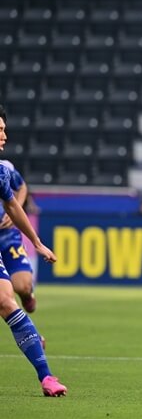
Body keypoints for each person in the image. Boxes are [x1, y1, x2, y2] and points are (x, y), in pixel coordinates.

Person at [0, 105, 66, 396]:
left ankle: (47, 378)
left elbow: (13, 203)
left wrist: (37, 243)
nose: (4, 135)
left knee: (10, 296)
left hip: (5, 236)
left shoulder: (3, 171)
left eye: (4, 128)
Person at [0, 160, 38, 313]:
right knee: (4, 297)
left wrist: (18, 206)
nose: (4, 137)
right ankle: (29, 335)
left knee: (23, 286)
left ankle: (27, 295)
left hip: (6, 235)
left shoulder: (4, 168)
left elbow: (21, 187)